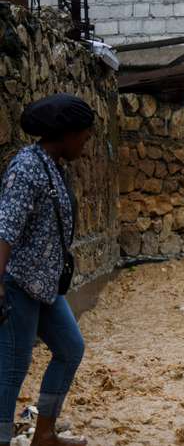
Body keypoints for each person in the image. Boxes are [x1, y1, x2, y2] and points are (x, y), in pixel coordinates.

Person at [0, 94, 95, 446]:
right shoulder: (27, 167)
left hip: (44, 286)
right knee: (11, 369)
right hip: (17, 282)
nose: (86, 143)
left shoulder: (52, 165)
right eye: (84, 135)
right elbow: (5, 227)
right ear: (66, 133)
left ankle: (44, 435)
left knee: (70, 348)